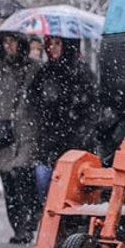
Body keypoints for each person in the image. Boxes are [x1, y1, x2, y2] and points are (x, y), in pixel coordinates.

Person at [27, 36, 97, 200]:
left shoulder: (82, 73)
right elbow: (33, 100)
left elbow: (90, 108)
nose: (52, 48)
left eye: (58, 44)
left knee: (71, 192)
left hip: (74, 142)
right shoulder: (44, 73)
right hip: (48, 141)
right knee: (44, 183)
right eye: (50, 44)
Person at [0, 31, 41, 244]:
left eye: (12, 42)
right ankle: (18, 225)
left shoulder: (34, 69)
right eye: (5, 42)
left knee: (23, 176)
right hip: (3, 130)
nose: (9, 46)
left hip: (27, 130)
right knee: (8, 182)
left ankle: (27, 224)